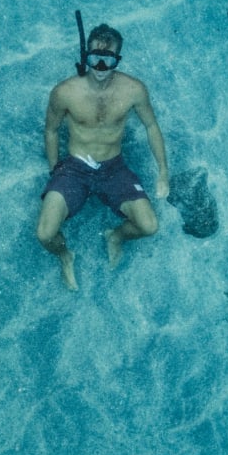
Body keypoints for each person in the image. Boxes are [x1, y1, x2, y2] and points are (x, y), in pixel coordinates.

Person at [37, 21, 169, 290]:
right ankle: (65, 255)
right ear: (86, 55)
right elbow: (51, 131)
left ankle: (116, 235)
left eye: (107, 60)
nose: (100, 66)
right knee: (45, 233)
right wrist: (55, 171)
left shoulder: (133, 90)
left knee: (149, 225)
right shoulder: (64, 92)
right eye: (95, 58)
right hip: (74, 168)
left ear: (117, 60)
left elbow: (152, 126)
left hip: (113, 168)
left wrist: (164, 172)